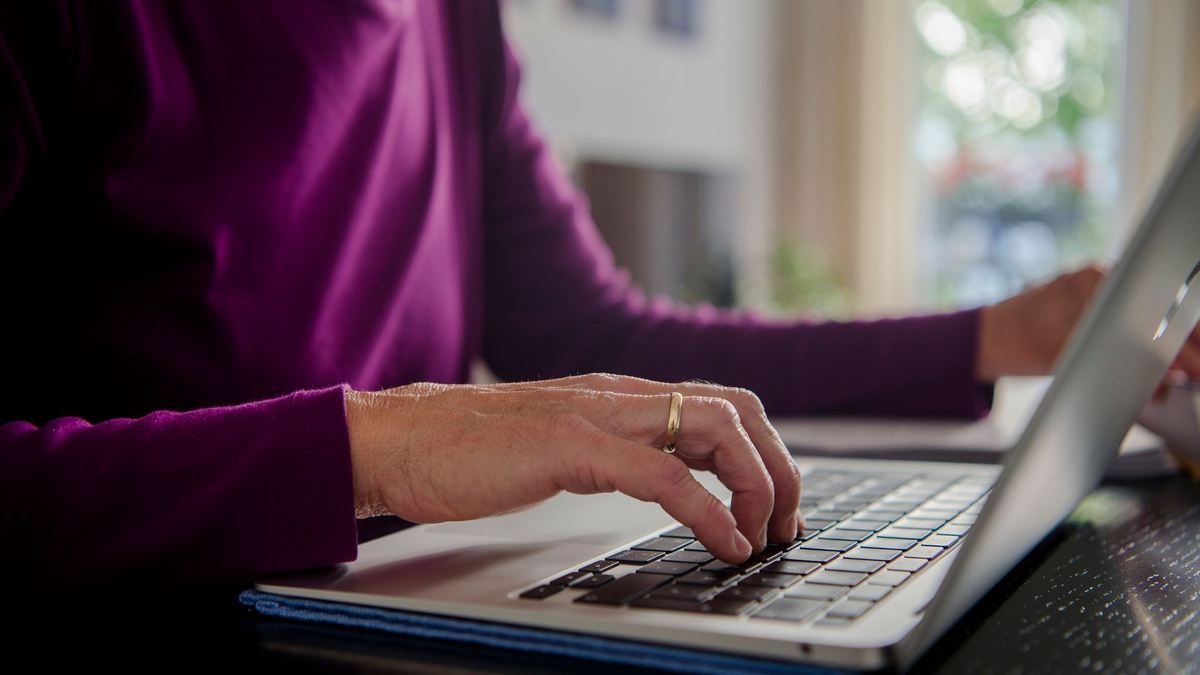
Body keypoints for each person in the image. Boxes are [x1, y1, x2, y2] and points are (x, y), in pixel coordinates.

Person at [1, 1, 1196, 602]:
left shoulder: (447, 20)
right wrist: (377, 450)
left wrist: (993, 335)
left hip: (406, 618)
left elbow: (597, 341)